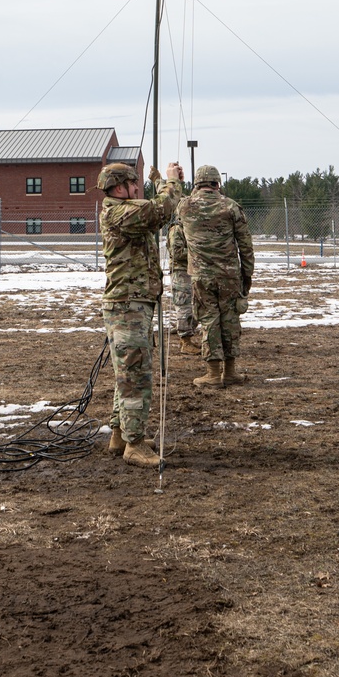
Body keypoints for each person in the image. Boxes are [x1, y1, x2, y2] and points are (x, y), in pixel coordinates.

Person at [98, 159, 184, 467]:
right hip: (127, 307)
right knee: (135, 376)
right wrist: (172, 184)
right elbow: (159, 210)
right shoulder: (119, 212)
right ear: (120, 188)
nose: (139, 189)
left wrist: (161, 180)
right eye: (134, 185)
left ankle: (121, 434)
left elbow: (156, 210)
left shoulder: (126, 211)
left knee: (128, 373)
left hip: (134, 304)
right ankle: (134, 445)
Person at [176, 164, 255, 389]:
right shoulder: (231, 207)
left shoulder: (185, 207)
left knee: (209, 320)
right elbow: (246, 247)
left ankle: (212, 373)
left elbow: (173, 201)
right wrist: (246, 277)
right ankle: (229, 372)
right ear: (217, 184)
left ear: (197, 184)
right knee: (230, 319)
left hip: (201, 277)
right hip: (229, 275)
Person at [167, 217, 201, 354]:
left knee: (194, 305)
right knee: (184, 306)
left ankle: (188, 333)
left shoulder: (189, 227)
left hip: (191, 270)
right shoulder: (177, 230)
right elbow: (176, 253)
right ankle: (185, 342)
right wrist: (198, 252)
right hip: (181, 272)